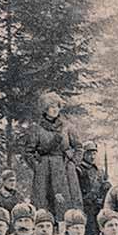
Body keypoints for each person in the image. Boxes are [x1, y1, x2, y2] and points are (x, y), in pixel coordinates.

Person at [23, 91, 83, 225]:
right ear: (45, 109)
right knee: (43, 204)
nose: (55, 109)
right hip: (44, 172)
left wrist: (73, 163)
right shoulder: (37, 129)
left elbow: (79, 147)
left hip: (64, 171)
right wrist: (37, 167)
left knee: (65, 205)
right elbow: (28, 152)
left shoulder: (67, 127)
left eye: (57, 106)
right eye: (51, 106)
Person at [77, 141, 111, 235]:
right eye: (89, 154)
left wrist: (106, 186)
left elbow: (103, 189)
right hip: (86, 207)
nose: (92, 157)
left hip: (98, 206)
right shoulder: (79, 170)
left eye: (94, 154)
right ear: (83, 154)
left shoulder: (98, 171)